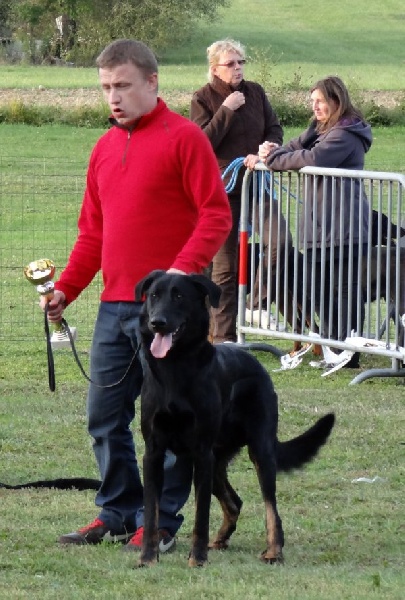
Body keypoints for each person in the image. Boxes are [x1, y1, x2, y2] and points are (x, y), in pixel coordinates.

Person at [41, 39, 232, 550]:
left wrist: (180, 271)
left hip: (171, 315)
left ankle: (162, 521)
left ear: (152, 82)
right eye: (106, 87)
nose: (113, 97)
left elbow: (216, 214)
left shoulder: (185, 138)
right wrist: (66, 290)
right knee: (104, 417)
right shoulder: (103, 148)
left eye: (123, 85)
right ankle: (119, 512)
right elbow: (93, 234)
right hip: (114, 308)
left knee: (172, 420)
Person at [260, 75, 372, 367]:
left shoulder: (346, 133)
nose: (315, 107)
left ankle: (348, 354)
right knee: (317, 287)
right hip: (320, 226)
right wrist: (271, 152)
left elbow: (313, 158)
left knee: (345, 290)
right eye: (312, 101)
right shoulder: (319, 129)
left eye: (320, 101)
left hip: (343, 225)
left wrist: (272, 160)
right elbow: (292, 147)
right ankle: (334, 347)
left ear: (336, 101)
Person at [190, 39, 287, 343]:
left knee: (280, 242)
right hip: (223, 190)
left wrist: (269, 147)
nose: (237, 68)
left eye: (241, 62)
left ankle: (255, 305)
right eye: (230, 63)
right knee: (225, 268)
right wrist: (226, 110)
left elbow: (274, 128)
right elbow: (202, 143)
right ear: (215, 68)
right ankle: (223, 339)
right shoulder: (203, 98)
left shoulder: (256, 92)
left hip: (257, 183)